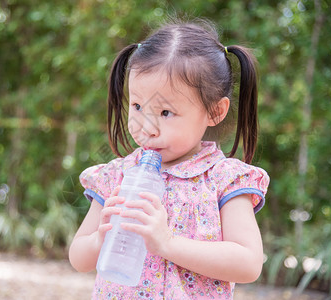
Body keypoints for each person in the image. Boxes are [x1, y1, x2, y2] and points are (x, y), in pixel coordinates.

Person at [69, 18, 270, 299]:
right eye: (137, 106)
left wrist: (167, 243)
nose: (147, 126)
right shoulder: (117, 175)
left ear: (215, 112)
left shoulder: (223, 180)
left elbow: (248, 263)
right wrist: (101, 238)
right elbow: (78, 258)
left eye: (166, 113)